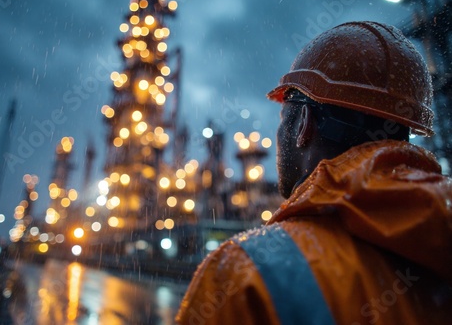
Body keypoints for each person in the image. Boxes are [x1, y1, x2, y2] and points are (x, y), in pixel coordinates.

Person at [176, 21, 452, 325]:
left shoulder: (244, 274)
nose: (279, 132)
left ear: (304, 122)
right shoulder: (438, 234)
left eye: (284, 116)